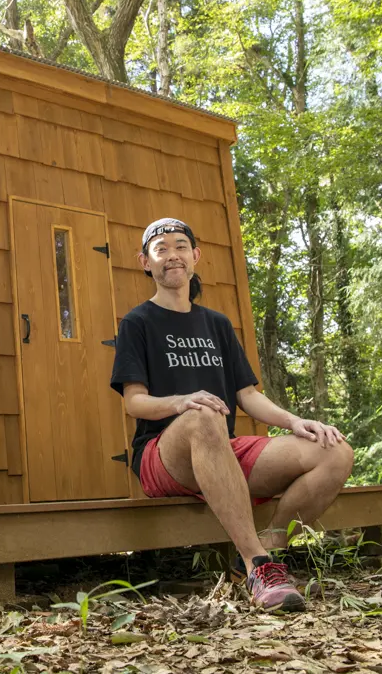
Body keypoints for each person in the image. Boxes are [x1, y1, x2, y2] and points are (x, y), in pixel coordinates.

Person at [110, 218, 354, 612]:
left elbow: (247, 395)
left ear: (195, 256)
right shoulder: (137, 323)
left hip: (220, 447)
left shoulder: (217, 324)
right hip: (162, 455)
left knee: (334, 450)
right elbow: (134, 402)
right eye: (161, 249)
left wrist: (294, 422)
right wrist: (180, 402)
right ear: (145, 262)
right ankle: (255, 561)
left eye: (180, 246)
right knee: (203, 415)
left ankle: (266, 558)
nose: (172, 254)